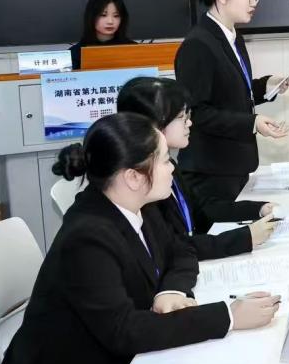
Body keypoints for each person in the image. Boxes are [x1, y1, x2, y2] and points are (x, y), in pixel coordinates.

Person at [0, 113, 280, 364]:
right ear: (133, 176)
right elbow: (125, 332)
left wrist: (171, 290)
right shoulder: (87, 237)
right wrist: (228, 316)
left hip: (113, 357)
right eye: (165, 160)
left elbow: (181, 250)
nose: (172, 168)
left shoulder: (137, 205)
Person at [117, 76, 277, 260]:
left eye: (188, 116)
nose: (189, 123)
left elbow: (202, 210)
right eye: (181, 118)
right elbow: (173, 247)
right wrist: (245, 238)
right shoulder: (143, 183)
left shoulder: (169, 165)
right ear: (152, 124)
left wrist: (258, 209)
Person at [175, 0, 289, 212]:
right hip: (210, 172)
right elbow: (197, 113)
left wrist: (267, 85)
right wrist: (252, 122)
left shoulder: (233, 37)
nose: (254, 2)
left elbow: (231, 93)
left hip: (233, 167)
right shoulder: (198, 45)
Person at [69, 0, 134, 70]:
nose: (110, 21)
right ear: (91, 16)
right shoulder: (75, 54)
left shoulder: (134, 49)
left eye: (116, 16)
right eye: (103, 15)